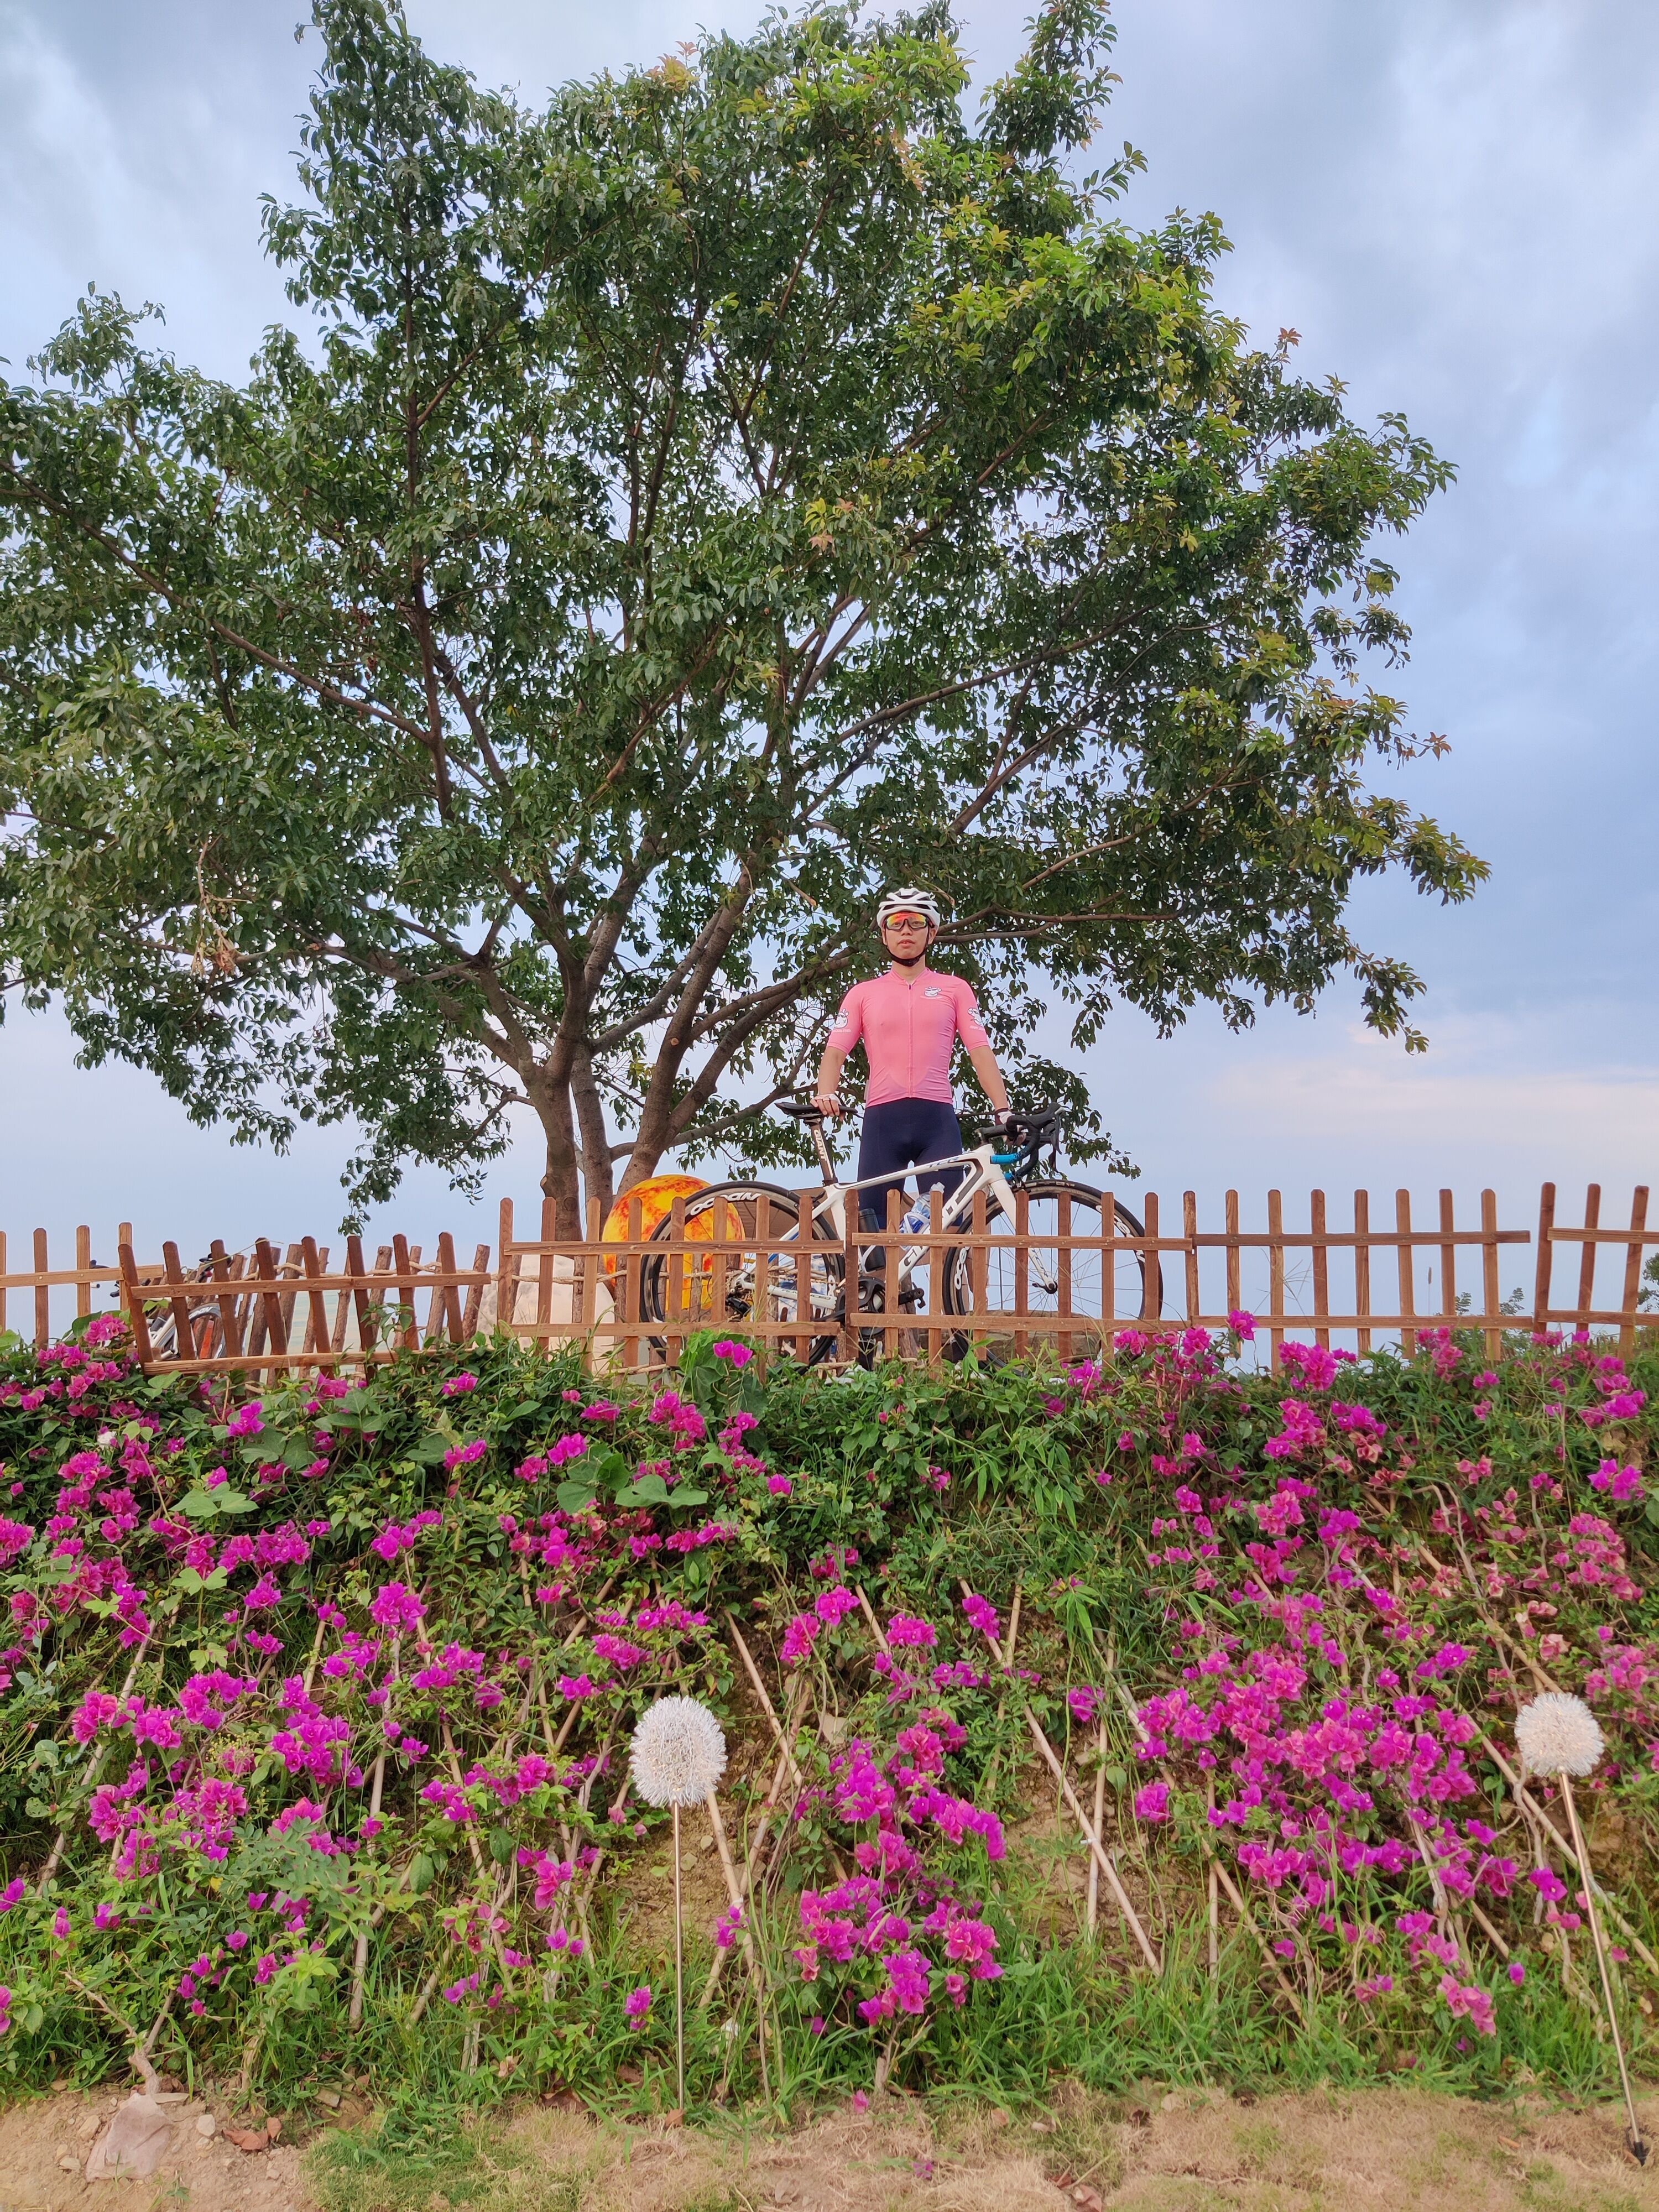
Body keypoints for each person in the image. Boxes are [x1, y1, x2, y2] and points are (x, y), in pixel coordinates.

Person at [814, 888, 1012, 1235]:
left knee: (949, 1231)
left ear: (931, 933)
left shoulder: (955, 989)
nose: (906, 930)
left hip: (936, 1122)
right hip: (882, 1121)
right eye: (896, 922)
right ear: (884, 934)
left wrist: (1003, 1109)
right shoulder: (863, 994)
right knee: (869, 1233)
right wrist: (826, 1091)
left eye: (916, 922)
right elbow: (835, 1051)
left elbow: (980, 1051)